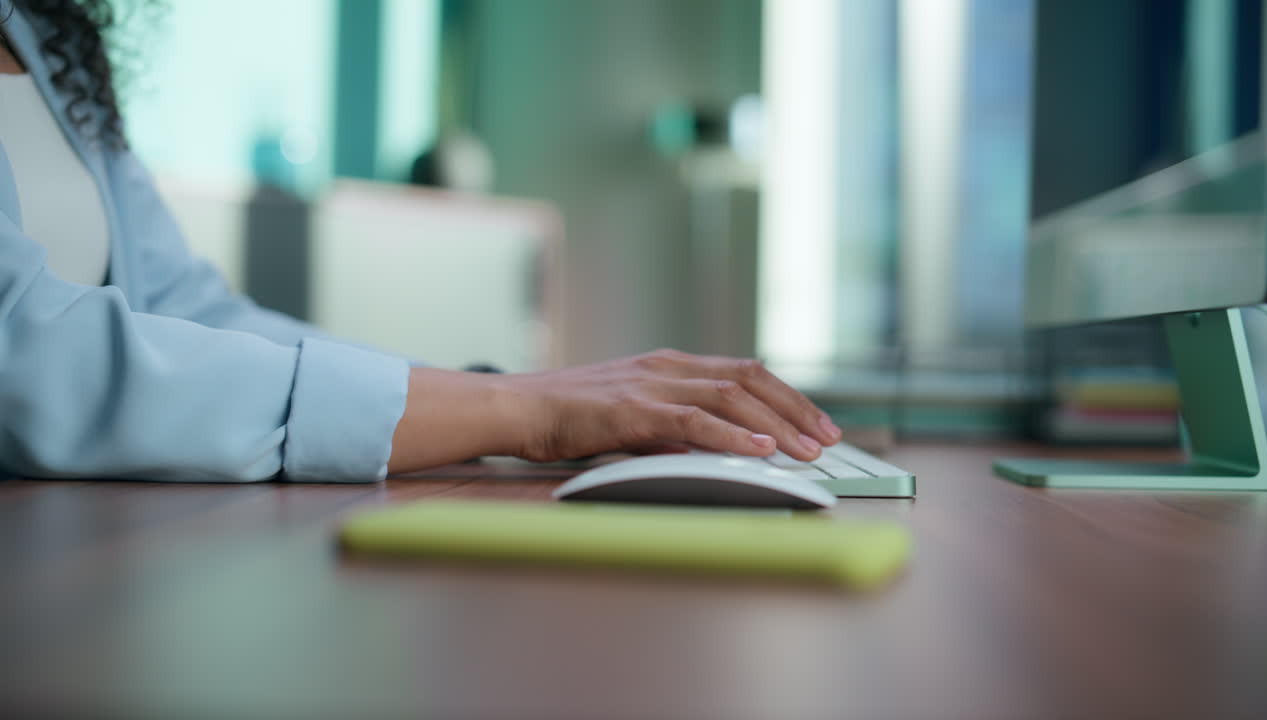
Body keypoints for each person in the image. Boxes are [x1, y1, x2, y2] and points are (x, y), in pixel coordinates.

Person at [0, 0, 841, 483]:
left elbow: (185, 308)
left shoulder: (50, 34)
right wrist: (524, 413)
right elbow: (25, 359)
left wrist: (499, 397)